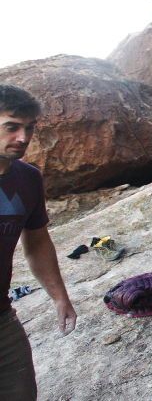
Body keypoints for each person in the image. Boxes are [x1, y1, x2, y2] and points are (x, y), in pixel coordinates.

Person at [0, 85, 77, 400]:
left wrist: (60, 297)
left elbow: (37, 241)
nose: (23, 138)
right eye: (12, 127)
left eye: (29, 128)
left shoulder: (28, 179)